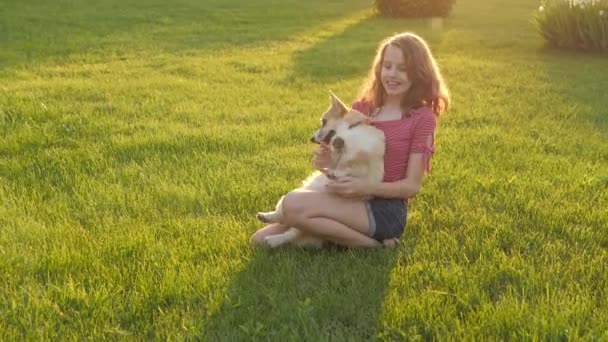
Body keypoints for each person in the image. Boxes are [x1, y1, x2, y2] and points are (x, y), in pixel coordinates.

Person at [250, 32, 450, 248]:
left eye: (402, 68)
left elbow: (411, 186)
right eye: (387, 66)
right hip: (347, 197)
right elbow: (341, 166)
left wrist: (366, 187)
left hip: (384, 209)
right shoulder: (362, 109)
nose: (392, 74)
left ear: (418, 73)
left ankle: (371, 246)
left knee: (291, 204)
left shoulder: (421, 118)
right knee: (259, 240)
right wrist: (327, 163)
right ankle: (338, 236)